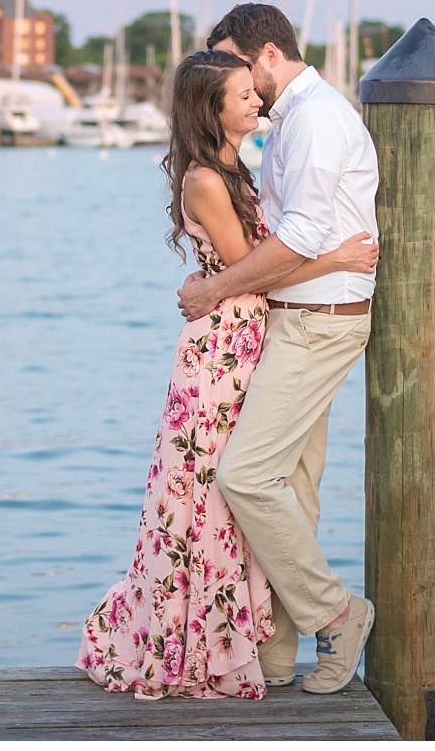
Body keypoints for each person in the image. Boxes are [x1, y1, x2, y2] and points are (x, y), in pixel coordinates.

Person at [79, 49, 378, 699]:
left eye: (252, 90)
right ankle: (225, 637)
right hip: (221, 350)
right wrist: (335, 259)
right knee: (211, 491)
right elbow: (252, 271)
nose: (256, 101)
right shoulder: (208, 182)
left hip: (248, 340)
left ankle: (255, 641)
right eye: (242, 95)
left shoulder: (237, 167)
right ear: (211, 110)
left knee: (241, 494)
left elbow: (250, 266)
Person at [176, 3, 380, 696]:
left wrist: (214, 288)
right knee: (291, 489)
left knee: (245, 477)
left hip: (317, 320)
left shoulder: (316, 118)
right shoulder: (290, 120)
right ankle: (274, 652)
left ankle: (338, 615)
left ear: (267, 54)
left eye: (235, 63)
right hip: (290, 318)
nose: (231, 78)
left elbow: (299, 238)